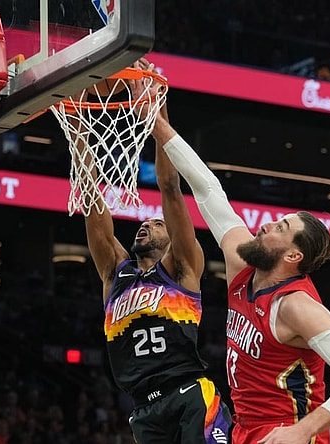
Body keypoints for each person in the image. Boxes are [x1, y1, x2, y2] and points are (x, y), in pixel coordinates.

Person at [152, 98, 330, 443]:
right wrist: (160, 127)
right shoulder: (242, 265)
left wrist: (302, 430)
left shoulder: (296, 306)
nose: (266, 226)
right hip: (246, 431)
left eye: (281, 227)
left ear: (293, 256)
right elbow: (208, 190)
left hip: (291, 436)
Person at [80, 61, 232, 443]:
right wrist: (80, 127)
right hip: (143, 409)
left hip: (191, 394)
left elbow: (168, 187)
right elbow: (94, 207)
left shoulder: (182, 267)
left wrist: (156, 117)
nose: (146, 224)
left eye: (157, 224)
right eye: (144, 223)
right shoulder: (116, 275)